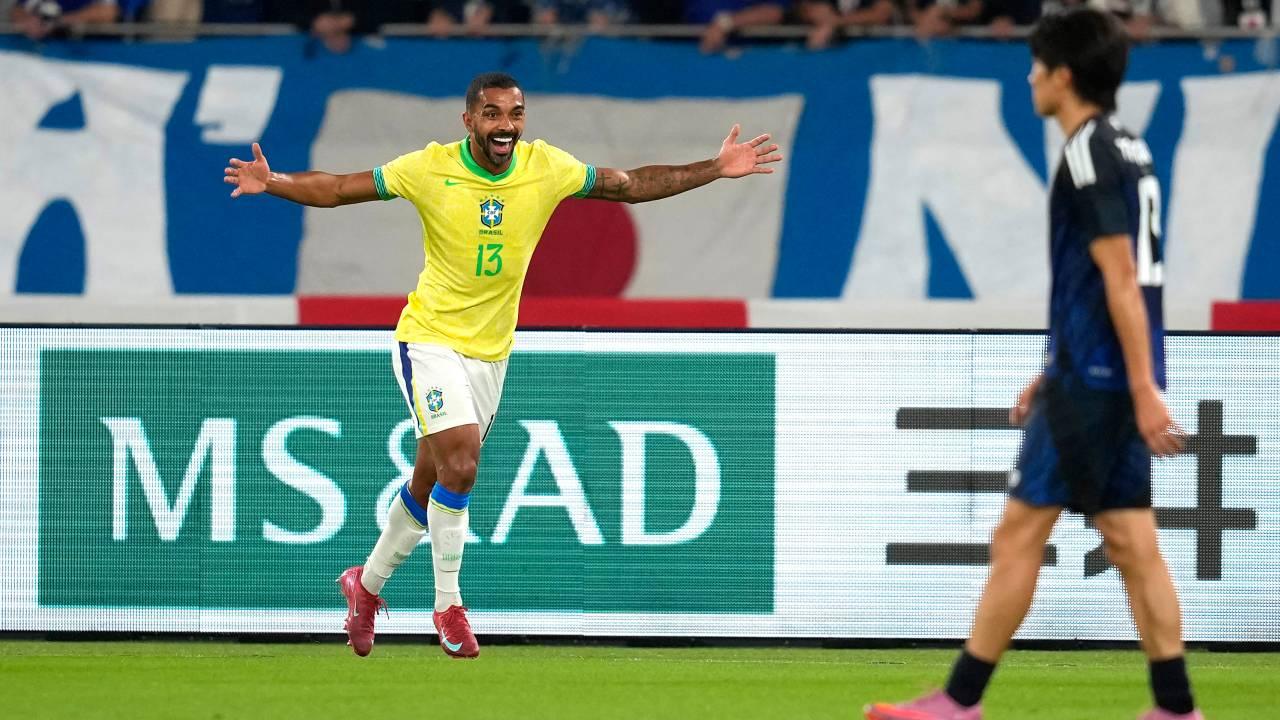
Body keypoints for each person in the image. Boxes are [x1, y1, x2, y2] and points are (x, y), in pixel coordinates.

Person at [222, 71, 782, 659]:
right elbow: (337, 188)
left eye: (514, 114)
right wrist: (275, 182)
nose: (505, 127)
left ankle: (365, 587)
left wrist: (714, 168)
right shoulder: (428, 167)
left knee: (431, 480)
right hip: (429, 339)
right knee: (461, 464)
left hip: (491, 353)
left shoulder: (547, 167)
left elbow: (630, 184)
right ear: (469, 121)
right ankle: (448, 606)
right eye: (492, 115)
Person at [865, 9, 1201, 720]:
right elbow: (1112, 282)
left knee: (1023, 531)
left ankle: (959, 701)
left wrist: (1135, 386)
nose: (1029, 77)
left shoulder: (1085, 155)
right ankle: (1175, 708)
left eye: (1037, 65)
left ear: (1064, 76)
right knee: (1133, 540)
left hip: (1098, 385)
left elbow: (1119, 278)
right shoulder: (1130, 149)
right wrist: (1061, 368)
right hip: (1095, 374)